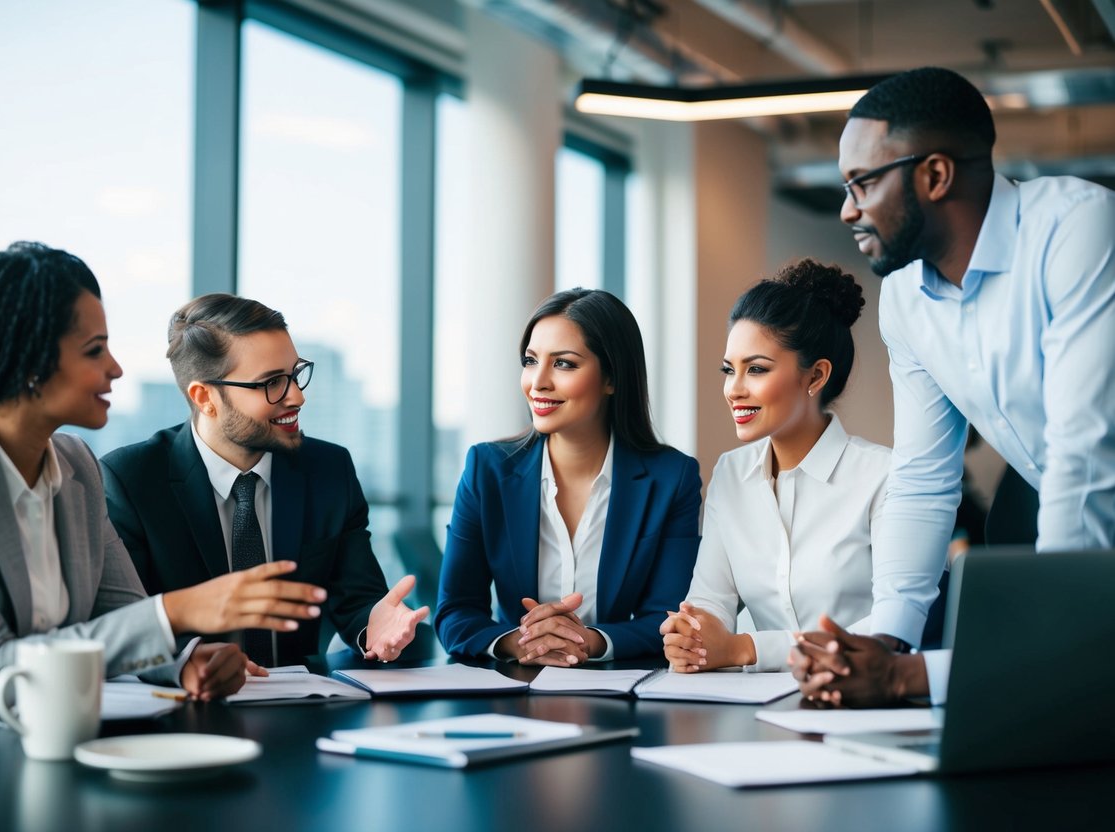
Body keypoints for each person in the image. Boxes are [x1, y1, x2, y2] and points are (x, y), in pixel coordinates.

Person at [791, 67, 1115, 707]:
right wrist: (888, 639)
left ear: (934, 176)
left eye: (862, 182)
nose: (847, 208)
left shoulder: (1077, 230)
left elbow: (1083, 454)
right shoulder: (905, 297)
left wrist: (915, 677)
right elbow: (923, 477)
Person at [0, 243, 324, 725]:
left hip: (61, 738)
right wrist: (178, 611)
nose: (115, 368)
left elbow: (120, 615)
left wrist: (186, 663)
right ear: (29, 365)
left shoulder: (77, 466)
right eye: (94, 350)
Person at [101, 294, 427, 667]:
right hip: (185, 706)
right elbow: (130, 622)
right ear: (205, 396)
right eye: (272, 383)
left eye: (295, 374)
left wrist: (373, 627)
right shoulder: (132, 480)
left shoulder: (328, 470)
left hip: (301, 705)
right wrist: (189, 662)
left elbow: (357, 598)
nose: (297, 396)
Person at [435, 288, 701, 664]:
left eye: (564, 364)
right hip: (513, 691)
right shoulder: (487, 469)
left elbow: (669, 617)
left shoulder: (672, 478)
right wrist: (523, 641)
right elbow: (455, 611)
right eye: (530, 361)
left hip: (620, 694)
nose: (538, 382)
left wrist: (589, 641)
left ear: (612, 377)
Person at [661, 260, 889, 673]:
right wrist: (691, 635)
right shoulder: (731, 474)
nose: (734, 389)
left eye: (757, 370)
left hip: (860, 702)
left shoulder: (883, 477)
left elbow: (887, 629)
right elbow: (711, 599)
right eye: (729, 370)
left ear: (816, 375)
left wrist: (747, 648)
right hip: (758, 708)